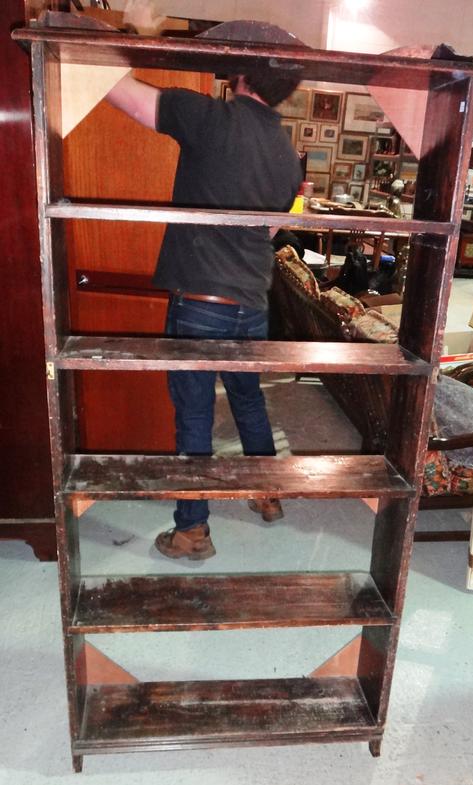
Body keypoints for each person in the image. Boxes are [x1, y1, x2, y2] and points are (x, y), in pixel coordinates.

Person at [105, 21, 304, 560]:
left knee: (193, 414)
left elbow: (119, 92)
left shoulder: (211, 118)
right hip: (252, 304)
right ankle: (266, 493)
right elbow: (272, 228)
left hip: (201, 302)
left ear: (239, 72)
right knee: (247, 399)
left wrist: (108, 44)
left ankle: (192, 530)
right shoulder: (288, 154)